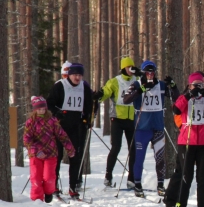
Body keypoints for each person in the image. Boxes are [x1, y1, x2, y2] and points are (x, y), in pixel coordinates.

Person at [122, 60, 179, 197]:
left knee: (160, 158)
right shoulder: (136, 84)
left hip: (158, 128)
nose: (150, 75)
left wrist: (173, 86)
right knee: (139, 158)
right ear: (143, 73)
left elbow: (176, 98)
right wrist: (140, 90)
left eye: (152, 72)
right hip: (142, 129)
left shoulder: (161, 85)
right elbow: (126, 99)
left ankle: (160, 185)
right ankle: (137, 184)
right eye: (147, 72)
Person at [46, 62, 94, 199]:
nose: (77, 78)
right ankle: (54, 186)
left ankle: (73, 187)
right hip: (60, 125)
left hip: (76, 126)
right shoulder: (60, 85)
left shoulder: (84, 86)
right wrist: (56, 112)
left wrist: (87, 118)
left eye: (79, 75)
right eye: (74, 75)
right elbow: (49, 102)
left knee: (75, 157)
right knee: (58, 156)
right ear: (69, 75)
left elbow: (89, 104)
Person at [164, 72, 204, 207]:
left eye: (202, 83)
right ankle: (175, 201)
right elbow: (177, 110)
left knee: (200, 176)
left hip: (203, 141)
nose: (200, 86)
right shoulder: (186, 95)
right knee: (183, 174)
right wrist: (189, 94)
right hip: (187, 139)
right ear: (190, 85)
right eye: (196, 84)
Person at [93, 57, 141, 188]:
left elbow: (146, 86)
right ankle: (108, 175)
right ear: (123, 68)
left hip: (131, 119)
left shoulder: (136, 81)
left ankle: (131, 178)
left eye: (132, 67)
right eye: (128, 67)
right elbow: (106, 91)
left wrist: (140, 74)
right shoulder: (115, 81)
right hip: (117, 119)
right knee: (116, 147)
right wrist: (99, 95)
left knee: (133, 149)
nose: (130, 69)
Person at [23, 96, 76, 202]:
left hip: (50, 154)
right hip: (35, 155)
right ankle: (37, 200)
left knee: (49, 178)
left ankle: (48, 193)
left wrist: (70, 149)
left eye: (43, 109)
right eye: (39, 109)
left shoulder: (52, 120)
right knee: (36, 178)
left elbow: (62, 135)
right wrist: (36, 151)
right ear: (35, 109)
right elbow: (27, 139)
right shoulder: (31, 122)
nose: (42, 111)